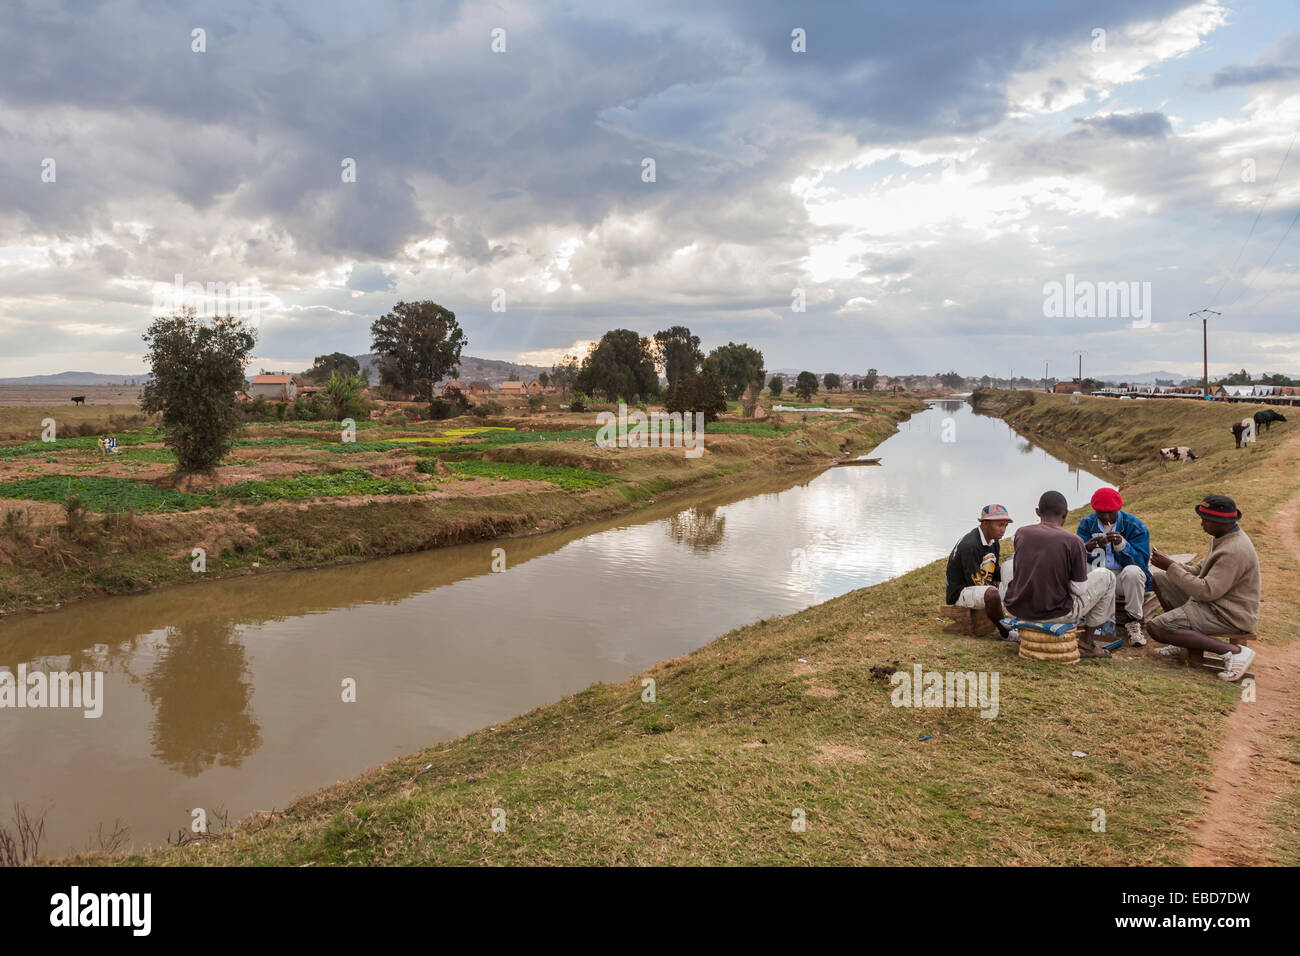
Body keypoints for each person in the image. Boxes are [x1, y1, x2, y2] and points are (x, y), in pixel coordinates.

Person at [1147, 495, 1260, 682]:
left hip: (1228, 613)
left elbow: (1206, 591)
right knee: (1160, 578)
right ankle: (1181, 639)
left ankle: (1235, 652)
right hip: (1212, 603)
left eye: (1205, 520)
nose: (1202, 524)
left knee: (1156, 628)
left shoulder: (1234, 550)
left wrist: (1171, 567)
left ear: (1220, 521)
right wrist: (1172, 564)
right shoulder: (1223, 538)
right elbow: (1199, 571)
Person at [1003, 490, 1116, 657]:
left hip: (1017, 610)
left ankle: (1020, 628)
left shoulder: (1021, 533)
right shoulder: (1074, 541)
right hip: (1055, 614)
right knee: (1107, 576)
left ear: (1037, 512)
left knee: (1008, 565)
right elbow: (1079, 589)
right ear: (1065, 514)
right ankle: (1087, 642)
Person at [1076, 487, 1152, 647]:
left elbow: (1141, 564)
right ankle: (1081, 615)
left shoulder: (1135, 526)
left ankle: (1133, 621)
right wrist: (1087, 547)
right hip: (1099, 575)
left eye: (1110, 512)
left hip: (1121, 580)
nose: (1106, 517)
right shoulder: (1087, 524)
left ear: (1118, 509)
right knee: (1079, 566)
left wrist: (1122, 545)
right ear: (1094, 510)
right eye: (1101, 513)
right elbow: (1076, 555)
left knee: (1133, 572)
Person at [944, 504, 1012, 637]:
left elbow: (994, 570)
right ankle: (1005, 632)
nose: (1003, 530)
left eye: (1005, 525)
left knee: (1016, 581)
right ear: (985, 523)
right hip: (961, 592)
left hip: (981, 586)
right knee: (992, 594)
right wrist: (996, 588)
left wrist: (1010, 572)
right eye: (1000, 525)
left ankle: (1019, 622)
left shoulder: (994, 542)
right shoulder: (971, 545)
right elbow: (975, 581)